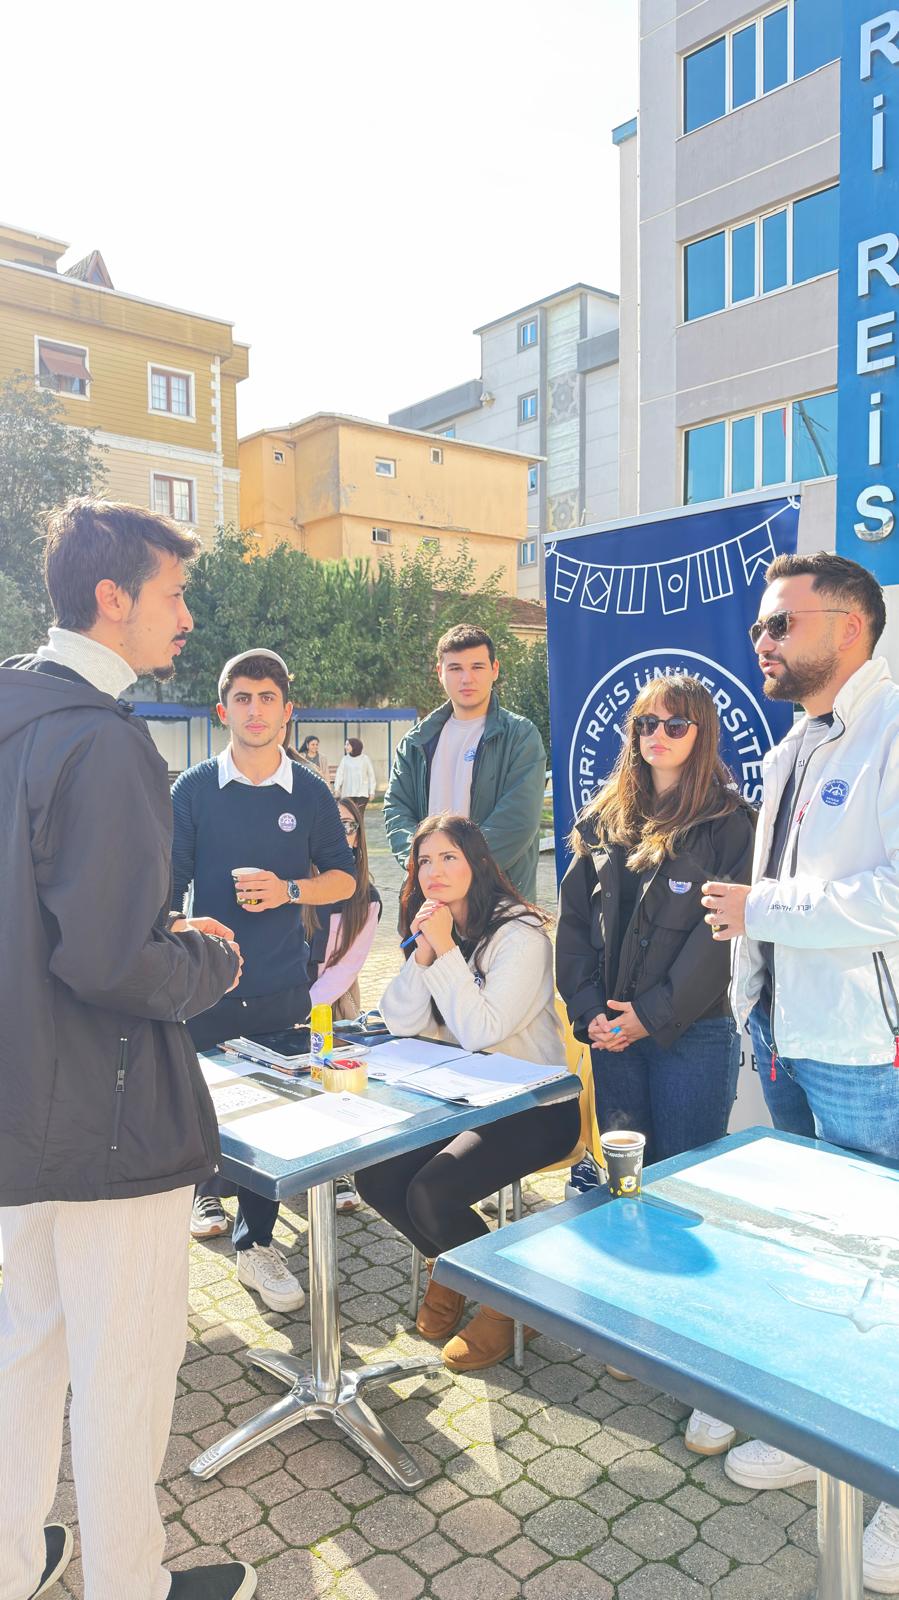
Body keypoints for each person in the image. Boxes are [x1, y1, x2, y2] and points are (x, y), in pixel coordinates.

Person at [0, 497, 255, 1600]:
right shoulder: (102, 741)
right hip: (106, 1121)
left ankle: (12, 1562)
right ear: (112, 598)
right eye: (173, 594)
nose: (186, 617)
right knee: (123, 1374)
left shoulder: (17, 714)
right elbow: (109, 959)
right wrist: (207, 960)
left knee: (23, 1355)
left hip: (18, 1110)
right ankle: (128, 1586)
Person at [697, 551, 899, 1592]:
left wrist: (760, 910)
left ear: (849, 625)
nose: (761, 640)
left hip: (866, 1049)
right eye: (758, 626)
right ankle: (825, 1432)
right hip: (781, 1035)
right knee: (816, 1251)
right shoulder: (792, 744)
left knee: (885, 1267)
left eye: (780, 623)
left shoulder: (891, 727)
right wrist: (751, 995)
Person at [556, 674, 756, 1405]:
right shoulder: (604, 817)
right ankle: (640, 1322)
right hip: (613, 1039)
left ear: (700, 733)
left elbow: (717, 941)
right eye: (646, 723)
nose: (658, 736)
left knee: (685, 1188)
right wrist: (590, 1013)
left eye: (674, 725)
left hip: (689, 1036)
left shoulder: (730, 824)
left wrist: (650, 1014)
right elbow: (574, 925)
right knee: (628, 1187)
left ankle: (695, 1346)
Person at [355, 813, 580, 1372]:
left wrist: (445, 951)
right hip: (460, 1100)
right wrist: (425, 954)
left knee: (431, 1193)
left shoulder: (521, 936)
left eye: (448, 857)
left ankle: (508, 1301)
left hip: (535, 1105)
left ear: (478, 863)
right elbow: (400, 1019)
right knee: (376, 1177)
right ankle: (453, 1267)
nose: (433, 871)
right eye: (424, 861)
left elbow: (483, 1030)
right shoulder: (438, 930)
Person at [171, 649, 355, 1312]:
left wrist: (288, 890)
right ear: (222, 711)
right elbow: (167, 886)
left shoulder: (309, 791)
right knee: (206, 1106)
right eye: (243, 698)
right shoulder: (193, 789)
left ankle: (256, 1245)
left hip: (279, 980)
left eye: (267, 698)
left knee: (276, 1115)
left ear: (287, 711)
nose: (255, 710)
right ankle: (204, 1190)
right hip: (207, 984)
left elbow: (345, 879)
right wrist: (182, 928)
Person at [384, 623, 546, 899]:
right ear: (440, 672)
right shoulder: (415, 742)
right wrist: (423, 864)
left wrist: (460, 871)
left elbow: (518, 821)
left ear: (495, 669)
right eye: (456, 668)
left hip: (496, 900)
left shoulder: (520, 736)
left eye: (477, 667)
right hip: (431, 899)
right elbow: (396, 811)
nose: (467, 678)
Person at [304, 796, 383, 1210]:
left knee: (332, 1084)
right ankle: (211, 1191)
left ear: (357, 838)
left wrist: (305, 1007)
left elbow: (346, 967)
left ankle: (335, 1171)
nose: (341, 833)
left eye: (349, 826)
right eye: (332, 825)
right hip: (275, 1001)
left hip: (331, 1003)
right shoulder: (291, 885)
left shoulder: (366, 897)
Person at [333, 736, 377, 812]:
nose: (345, 747)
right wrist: (337, 789)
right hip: (347, 793)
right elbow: (339, 775)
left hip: (362, 793)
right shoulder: (345, 759)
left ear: (354, 746)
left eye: (347, 745)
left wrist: (372, 791)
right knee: (350, 815)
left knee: (359, 814)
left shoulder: (365, 759)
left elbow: (371, 776)